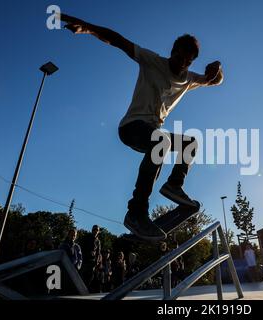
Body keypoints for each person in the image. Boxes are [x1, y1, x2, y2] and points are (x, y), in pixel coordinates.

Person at [60, 14, 224, 241]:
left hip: (154, 132)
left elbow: (214, 81)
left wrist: (218, 69)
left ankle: (174, 185)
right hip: (131, 127)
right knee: (162, 141)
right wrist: (88, 28)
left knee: (190, 143)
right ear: (172, 52)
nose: (182, 65)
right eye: (179, 58)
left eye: (187, 62)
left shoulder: (189, 78)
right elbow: (118, 40)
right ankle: (136, 212)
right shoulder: (151, 60)